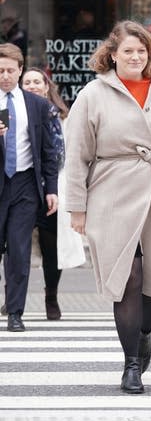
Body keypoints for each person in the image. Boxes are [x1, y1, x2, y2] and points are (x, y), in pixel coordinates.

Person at [65, 20, 151, 393]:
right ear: (112, 55)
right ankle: (131, 364)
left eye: (141, 50)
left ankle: (144, 331)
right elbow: (77, 153)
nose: (135, 56)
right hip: (111, 190)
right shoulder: (93, 94)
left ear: (150, 54)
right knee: (127, 278)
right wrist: (76, 207)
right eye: (128, 51)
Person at [0, 43, 59, 332]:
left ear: (20, 70)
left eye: (11, 70)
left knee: (20, 251)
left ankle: (15, 313)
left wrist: (52, 189)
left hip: (25, 185)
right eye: (0, 71)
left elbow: (49, 152)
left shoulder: (37, 105)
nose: (5, 76)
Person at [21, 68, 86, 320]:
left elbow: (71, 157)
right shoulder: (11, 112)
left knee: (51, 247)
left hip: (53, 188)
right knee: (15, 246)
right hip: (22, 187)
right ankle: (14, 297)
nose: (33, 86)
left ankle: (51, 296)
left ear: (47, 87)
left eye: (37, 81)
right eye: (27, 82)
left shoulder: (61, 117)